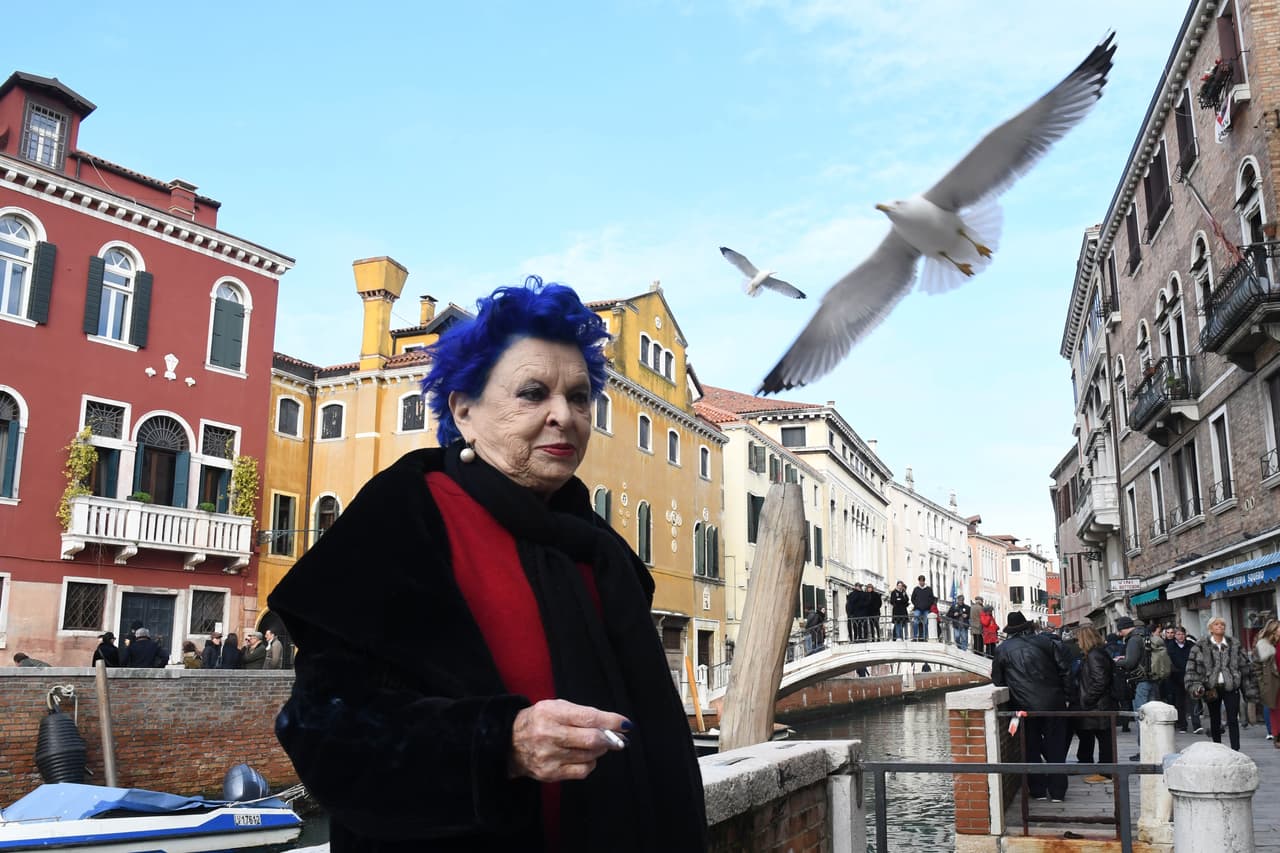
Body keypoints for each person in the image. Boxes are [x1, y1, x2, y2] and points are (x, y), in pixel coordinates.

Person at [268, 278, 707, 852]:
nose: (565, 416)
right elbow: (324, 731)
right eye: (533, 393)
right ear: (465, 410)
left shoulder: (600, 547)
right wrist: (502, 742)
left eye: (579, 398)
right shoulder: (403, 516)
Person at [991, 612, 1070, 802]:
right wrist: (1067, 697)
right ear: (1028, 627)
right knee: (1056, 747)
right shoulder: (1047, 642)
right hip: (1053, 703)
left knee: (1031, 748)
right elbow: (1064, 671)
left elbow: (998, 680)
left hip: (1023, 706)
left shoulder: (1002, 649)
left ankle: (1038, 790)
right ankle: (1058, 792)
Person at [1184, 616, 1260, 751]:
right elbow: (1192, 669)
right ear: (1211, 628)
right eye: (1217, 624)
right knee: (1215, 718)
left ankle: (1235, 749)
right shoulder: (1200, 646)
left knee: (1232, 718)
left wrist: (1249, 690)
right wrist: (1196, 686)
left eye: (1222, 624)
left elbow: (1245, 668)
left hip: (1231, 687)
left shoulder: (1234, 644)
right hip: (1211, 687)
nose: (1220, 627)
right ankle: (1217, 748)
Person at [1073, 625, 1118, 783]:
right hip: (1101, 703)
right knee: (1105, 738)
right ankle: (1106, 771)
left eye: (1078, 639)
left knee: (1105, 739)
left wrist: (1087, 699)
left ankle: (1106, 774)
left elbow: (1100, 681)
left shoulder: (1094, 655)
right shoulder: (1098, 653)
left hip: (1099, 704)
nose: (1077, 642)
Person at [1255, 619, 1280, 747]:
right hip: (1272, 683)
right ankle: (1276, 736)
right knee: (1275, 711)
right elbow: (1257, 666)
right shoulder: (1264, 645)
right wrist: (1263, 683)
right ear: (1273, 630)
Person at [1165, 625, 1193, 733]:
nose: (1180, 636)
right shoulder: (1170, 646)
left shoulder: (1191, 645)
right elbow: (1169, 662)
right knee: (1179, 702)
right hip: (1176, 678)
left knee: (1193, 700)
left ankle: (1197, 725)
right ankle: (1182, 724)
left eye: (1182, 634)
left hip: (1190, 676)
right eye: (1178, 634)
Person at [910, 575, 936, 641]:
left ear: (924, 581)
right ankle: (915, 637)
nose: (921, 582)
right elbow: (912, 599)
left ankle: (925, 637)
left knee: (926, 623)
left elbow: (932, 599)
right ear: (919, 581)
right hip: (917, 609)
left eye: (922, 581)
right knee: (915, 622)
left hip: (926, 609)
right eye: (920, 581)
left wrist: (928, 606)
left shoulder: (929, 589)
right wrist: (917, 605)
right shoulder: (916, 589)